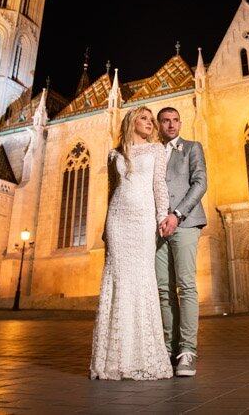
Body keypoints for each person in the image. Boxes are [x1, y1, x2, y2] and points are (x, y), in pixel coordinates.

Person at [90, 107, 174, 380]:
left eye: (152, 120)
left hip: (143, 220)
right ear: (131, 122)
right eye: (144, 119)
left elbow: (159, 185)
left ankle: (141, 355)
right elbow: (111, 191)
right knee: (117, 280)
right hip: (117, 219)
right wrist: (105, 226)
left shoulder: (156, 150)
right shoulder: (115, 153)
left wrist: (162, 216)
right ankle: (112, 359)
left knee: (141, 280)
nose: (150, 123)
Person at [154, 107, 208, 377]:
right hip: (158, 229)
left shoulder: (191, 148)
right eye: (166, 121)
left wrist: (176, 215)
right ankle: (168, 348)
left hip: (185, 222)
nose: (171, 125)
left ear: (180, 123)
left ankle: (187, 351)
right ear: (159, 125)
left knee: (185, 286)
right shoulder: (153, 151)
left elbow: (200, 183)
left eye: (175, 120)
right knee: (164, 290)